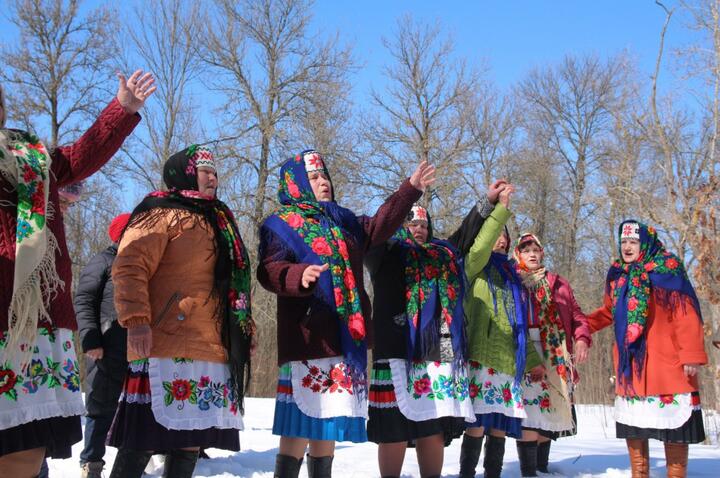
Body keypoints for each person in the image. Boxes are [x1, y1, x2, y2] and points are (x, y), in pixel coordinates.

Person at [0, 70, 154, 477]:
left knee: (28, 450)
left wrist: (122, 109)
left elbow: (82, 155)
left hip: (37, 325)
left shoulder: (33, 162)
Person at [257, 150, 435, 478]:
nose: (323, 182)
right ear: (296, 183)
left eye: (325, 176)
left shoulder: (345, 222)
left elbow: (382, 222)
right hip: (306, 339)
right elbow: (269, 270)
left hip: (342, 338)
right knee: (300, 425)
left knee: (329, 428)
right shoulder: (280, 226)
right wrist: (299, 275)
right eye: (314, 177)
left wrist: (409, 189)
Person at [108, 145, 254, 478]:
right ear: (184, 173)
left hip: (211, 345)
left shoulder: (220, 218)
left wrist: (246, 334)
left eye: (215, 171)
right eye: (206, 171)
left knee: (191, 439)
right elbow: (129, 266)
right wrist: (137, 321)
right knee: (143, 439)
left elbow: (235, 286)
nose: (213, 177)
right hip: (163, 342)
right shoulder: (158, 212)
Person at [365, 181, 506, 478]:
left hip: (436, 351)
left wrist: (489, 201)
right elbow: (381, 225)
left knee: (432, 425)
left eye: (424, 225)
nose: (419, 229)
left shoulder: (440, 255)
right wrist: (410, 190)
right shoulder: (383, 252)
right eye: (412, 222)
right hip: (395, 349)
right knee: (394, 427)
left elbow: (466, 234)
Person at [588, 220, 707, 478]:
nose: (627, 247)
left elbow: (686, 312)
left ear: (645, 243)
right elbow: (608, 312)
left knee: (674, 428)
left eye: (633, 242)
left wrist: (691, 354)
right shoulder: (618, 274)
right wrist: (581, 327)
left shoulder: (669, 269)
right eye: (623, 242)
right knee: (635, 427)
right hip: (633, 367)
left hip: (669, 364)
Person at [458, 185, 545, 478]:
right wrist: (500, 210)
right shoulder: (473, 267)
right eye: (496, 233)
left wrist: (532, 361)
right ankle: (467, 473)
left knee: (499, 426)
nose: (501, 238)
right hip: (480, 358)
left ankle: (492, 474)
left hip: (507, 363)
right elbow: (479, 246)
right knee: (477, 424)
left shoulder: (511, 278)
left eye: (505, 234)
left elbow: (516, 326)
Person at [513, 233, 591, 476]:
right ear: (518, 255)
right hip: (525, 349)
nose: (532, 254)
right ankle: (528, 470)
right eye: (526, 250)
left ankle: (541, 468)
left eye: (536, 249)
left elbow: (577, 315)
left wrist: (581, 339)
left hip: (556, 351)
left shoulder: (558, 283)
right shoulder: (513, 282)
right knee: (529, 410)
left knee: (549, 409)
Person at [75, 213, 132, 478]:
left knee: (137, 405)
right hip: (107, 343)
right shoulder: (103, 261)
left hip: (138, 348)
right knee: (100, 405)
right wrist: (91, 339)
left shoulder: (143, 264)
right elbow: (84, 300)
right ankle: (92, 462)